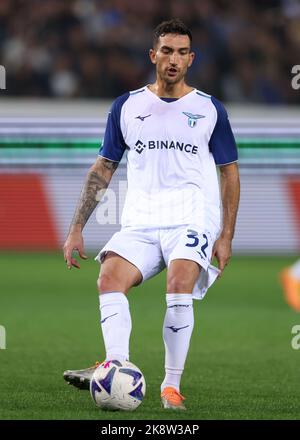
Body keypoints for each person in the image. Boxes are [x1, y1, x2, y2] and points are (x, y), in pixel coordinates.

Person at [63, 19, 240, 410]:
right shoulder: (127, 106)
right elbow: (103, 168)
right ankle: (114, 366)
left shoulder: (210, 110)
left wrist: (225, 234)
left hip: (192, 216)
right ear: (153, 55)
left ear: (191, 59)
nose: (173, 59)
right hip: (141, 220)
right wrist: (77, 228)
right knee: (108, 278)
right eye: (166, 51)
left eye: (181, 52)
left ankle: (170, 386)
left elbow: (229, 172)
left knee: (179, 284)